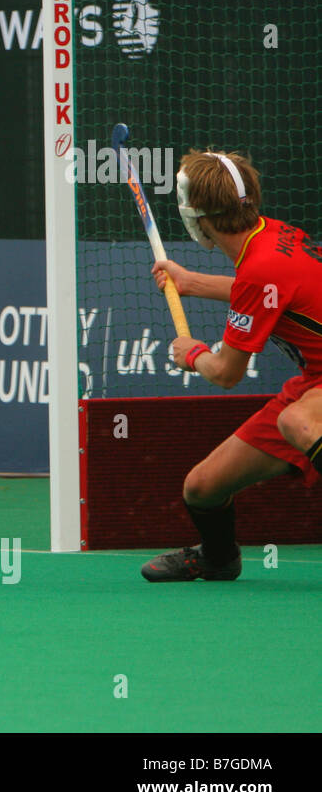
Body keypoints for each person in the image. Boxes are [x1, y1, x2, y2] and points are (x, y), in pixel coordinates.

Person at [143, 148, 322, 581]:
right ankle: (218, 559)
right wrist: (192, 282)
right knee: (202, 487)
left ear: (196, 216)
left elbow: (226, 373)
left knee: (297, 421)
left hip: (314, 393)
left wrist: (193, 354)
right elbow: (261, 291)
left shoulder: (259, 266)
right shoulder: (269, 234)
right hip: (314, 380)